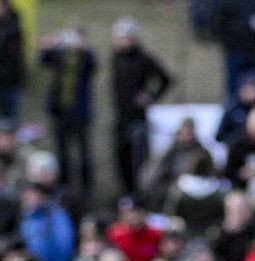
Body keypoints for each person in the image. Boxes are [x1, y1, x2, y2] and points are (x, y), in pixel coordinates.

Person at [110, 19, 172, 196]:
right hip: (120, 116)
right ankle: (125, 192)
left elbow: (165, 79)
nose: (123, 42)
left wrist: (150, 96)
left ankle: (139, 194)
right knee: (120, 157)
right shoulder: (116, 57)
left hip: (137, 118)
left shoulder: (143, 58)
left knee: (137, 158)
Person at [38, 28, 98, 196]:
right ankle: (64, 187)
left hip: (80, 114)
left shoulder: (85, 57)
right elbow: (43, 61)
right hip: (60, 112)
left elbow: (93, 64)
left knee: (83, 152)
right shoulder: (60, 55)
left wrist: (83, 49)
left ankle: (87, 189)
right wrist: (48, 47)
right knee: (62, 152)